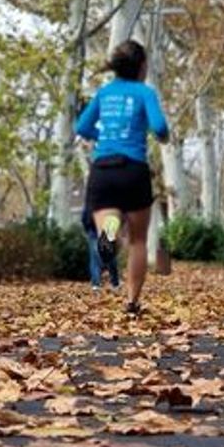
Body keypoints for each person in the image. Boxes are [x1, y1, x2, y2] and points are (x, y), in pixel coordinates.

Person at [75, 40, 170, 316]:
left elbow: (82, 126)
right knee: (138, 240)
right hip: (133, 170)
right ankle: (131, 302)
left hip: (103, 169)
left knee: (109, 227)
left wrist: (104, 137)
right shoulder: (144, 92)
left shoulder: (104, 93)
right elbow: (160, 126)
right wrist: (163, 137)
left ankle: (110, 235)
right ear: (142, 66)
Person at [82, 204, 120, 291]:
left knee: (95, 259)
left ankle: (96, 284)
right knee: (109, 257)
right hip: (105, 230)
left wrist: (87, 229)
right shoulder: (109, 201)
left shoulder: (92, 199)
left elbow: (85, 217)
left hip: (96, 231)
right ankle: (114, 282)